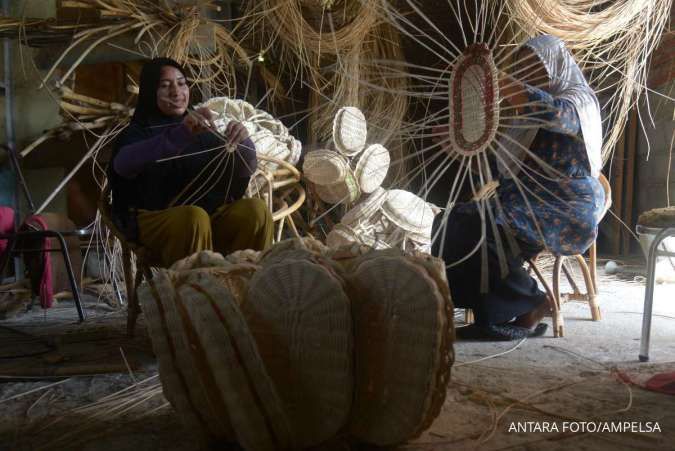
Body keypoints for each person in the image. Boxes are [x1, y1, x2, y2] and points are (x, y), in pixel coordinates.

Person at [433, 35, 605, 340]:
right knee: (449, 222)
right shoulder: (522, 122)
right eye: (521, 67)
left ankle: (533, 302)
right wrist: (456, 149)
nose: (526, 74)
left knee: (482, 228)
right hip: (519, 200)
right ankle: (487, 310)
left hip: (564, 205)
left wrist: (494, 78)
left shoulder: (578, 100)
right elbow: (500, 171)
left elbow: (555, 115)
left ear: (554, 65)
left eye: (534, 66)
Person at [109, 57, 273, 267]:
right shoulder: (139, 132)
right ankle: (196, 294)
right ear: (150, 91)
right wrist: (180, 135)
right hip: (156, 221)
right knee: (194, 218)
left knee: (256, 211)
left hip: (211, 217)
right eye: (165, 86)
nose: (176, 92)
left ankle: (246, 286)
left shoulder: (204, 128)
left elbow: (244, 169)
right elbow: (122, 164)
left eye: (181, 83)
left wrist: (243, 142)